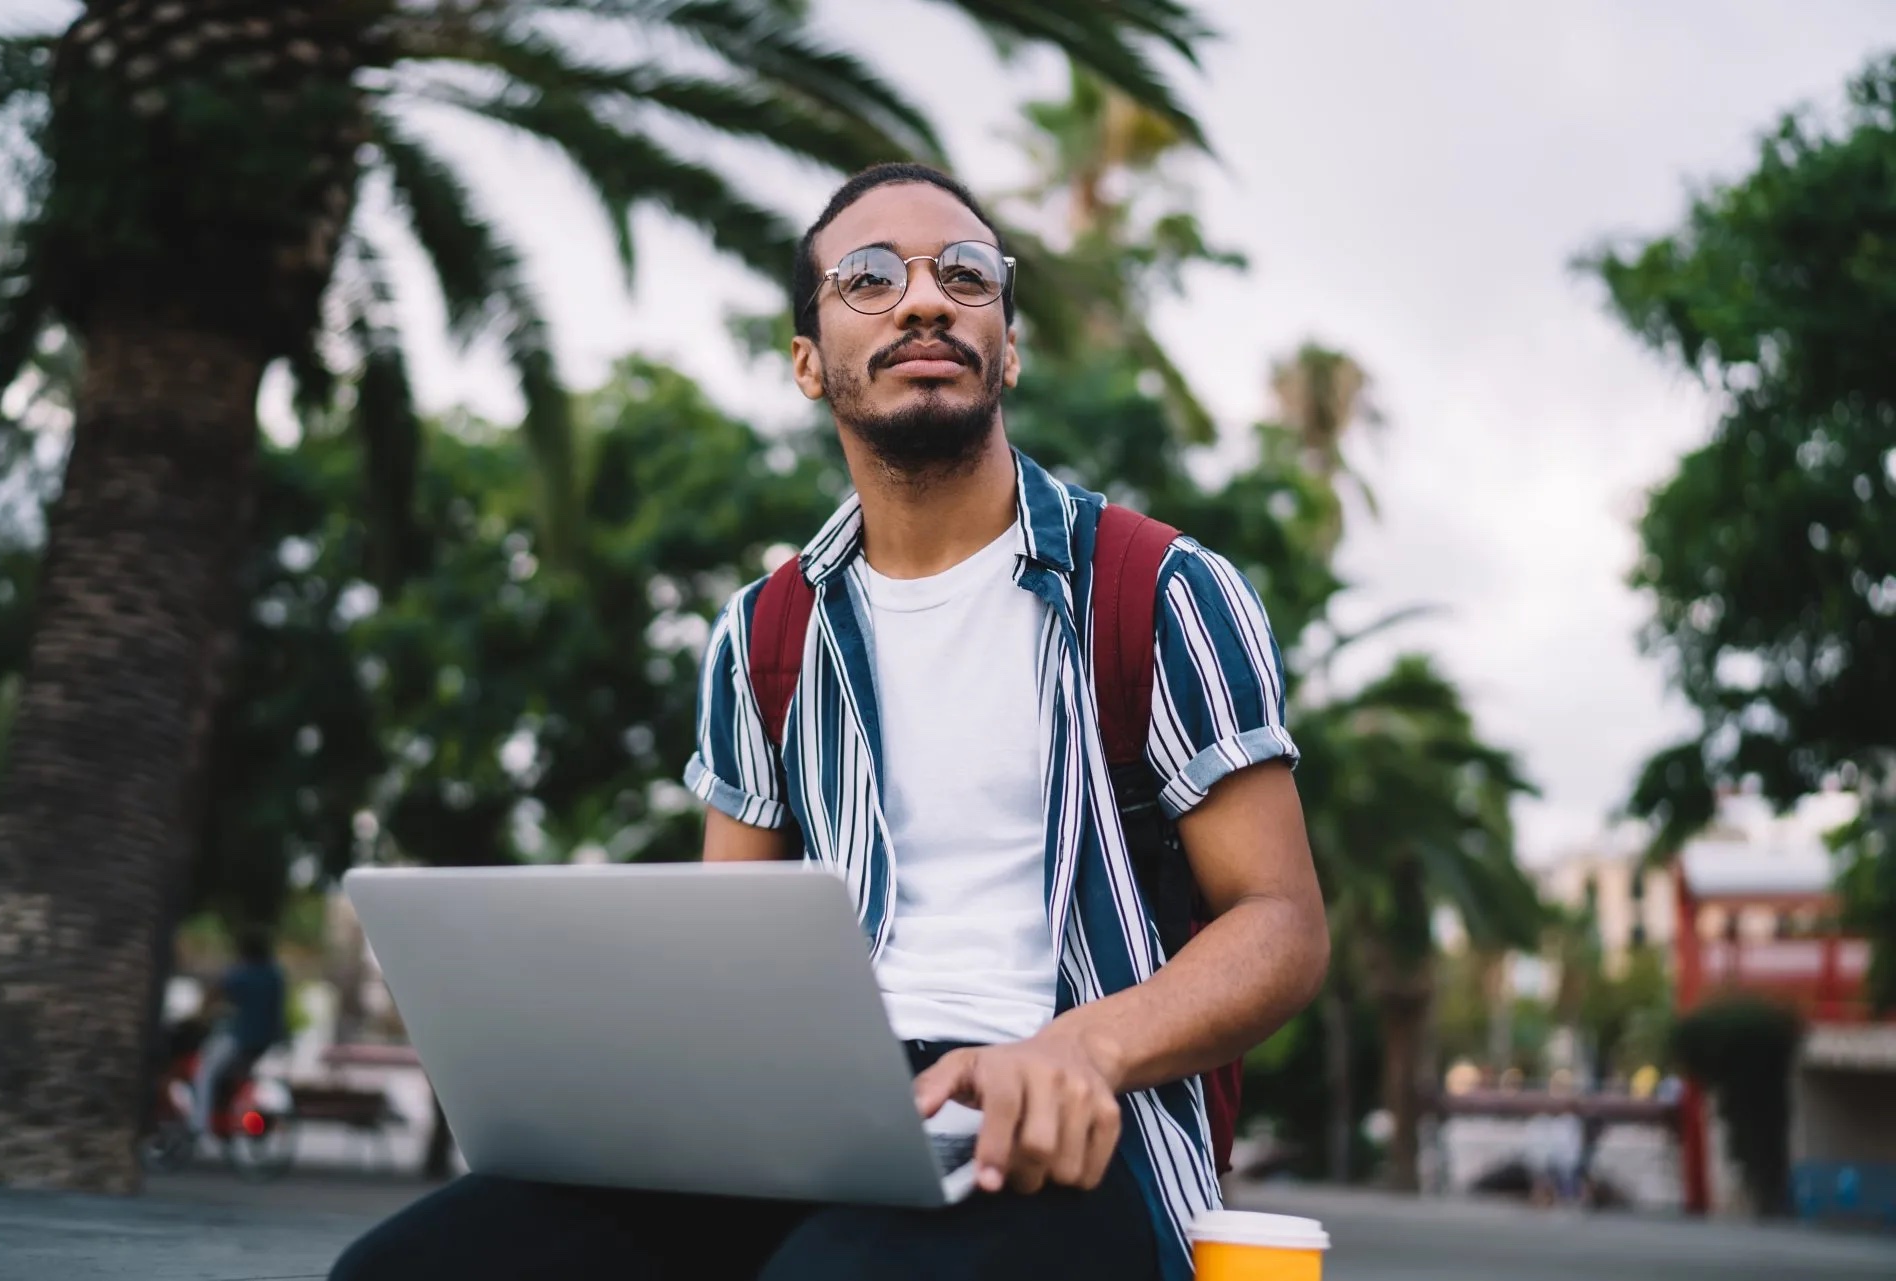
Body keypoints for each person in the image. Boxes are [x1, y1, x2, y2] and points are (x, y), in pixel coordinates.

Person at [332, 162, 1329, 1281]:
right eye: (868, 277)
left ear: (1009, 345)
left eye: (966, 274)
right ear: (809, 363)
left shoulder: (1162, 590)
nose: (924, 298)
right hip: (811, 1128)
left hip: (1075, 1137)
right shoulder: (763, 637)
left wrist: (1079, 1049)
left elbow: (1282, 926)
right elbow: (732, 958)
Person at [190, 924, 288, 1136]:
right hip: (266, 1040)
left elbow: (215, 994)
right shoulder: (274, 975)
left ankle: (198, 1125)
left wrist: (199, 1016)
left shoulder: (241, 974)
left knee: (205, 1071)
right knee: (236, 1075)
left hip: (241, 1038)